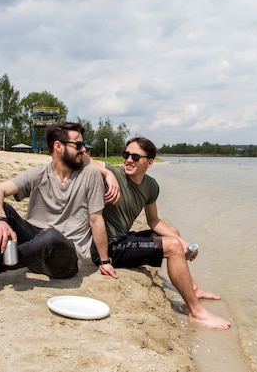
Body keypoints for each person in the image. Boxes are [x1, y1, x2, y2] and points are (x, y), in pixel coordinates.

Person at [0, 121, 115, 305]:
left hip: (65, 259)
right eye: (78, 145)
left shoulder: (91, 175)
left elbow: (96, 220)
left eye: (83, 144)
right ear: (58, 146)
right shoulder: (38, 174)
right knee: (4, 210)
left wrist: (104, 261)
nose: (83, 150)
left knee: (51, 236)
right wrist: (0, 220)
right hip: (33, 252)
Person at [86, 137, 231, 329]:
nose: (129, 160)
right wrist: (107, 174)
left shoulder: (151, 185)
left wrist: (182, 241)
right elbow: (83, 158)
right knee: (172, 247)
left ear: (150, 162)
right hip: (107, 249)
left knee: (173, 233)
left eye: (136, 157)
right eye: (126, 155)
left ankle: (193, 288)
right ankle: (196, 312)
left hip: (123, 239)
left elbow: (153, 221)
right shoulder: (114, 173)